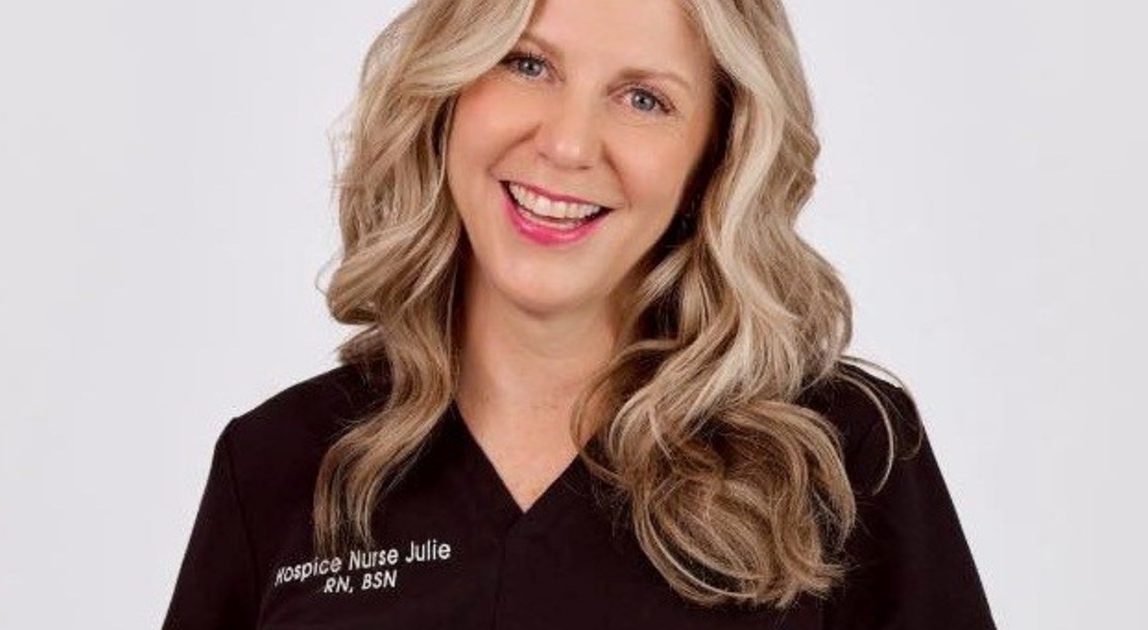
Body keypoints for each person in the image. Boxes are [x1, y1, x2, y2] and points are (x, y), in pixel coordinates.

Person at [162, 0, 998, 627]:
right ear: (449, 89)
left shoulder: (840, 457)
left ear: (715, 155)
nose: (566, 144)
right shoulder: (276, 468)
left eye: (644, 99)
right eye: (527, 64)